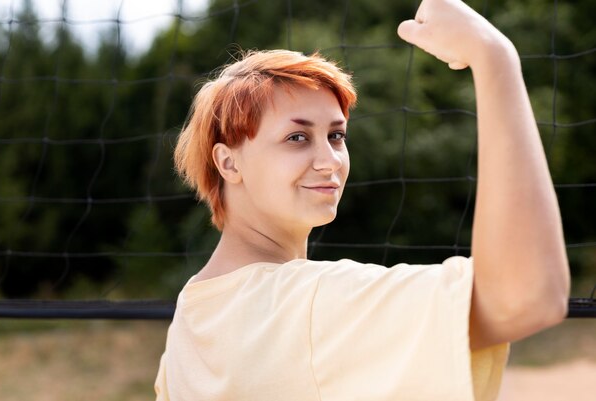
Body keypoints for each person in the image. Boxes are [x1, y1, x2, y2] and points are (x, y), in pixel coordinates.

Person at [155, 0, 570, 400]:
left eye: (336, 135)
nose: (329, 160)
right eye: (296, 137)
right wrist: (493, 54)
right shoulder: (306, 305)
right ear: (228, 163)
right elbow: (527, 295)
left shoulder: (190, 320)